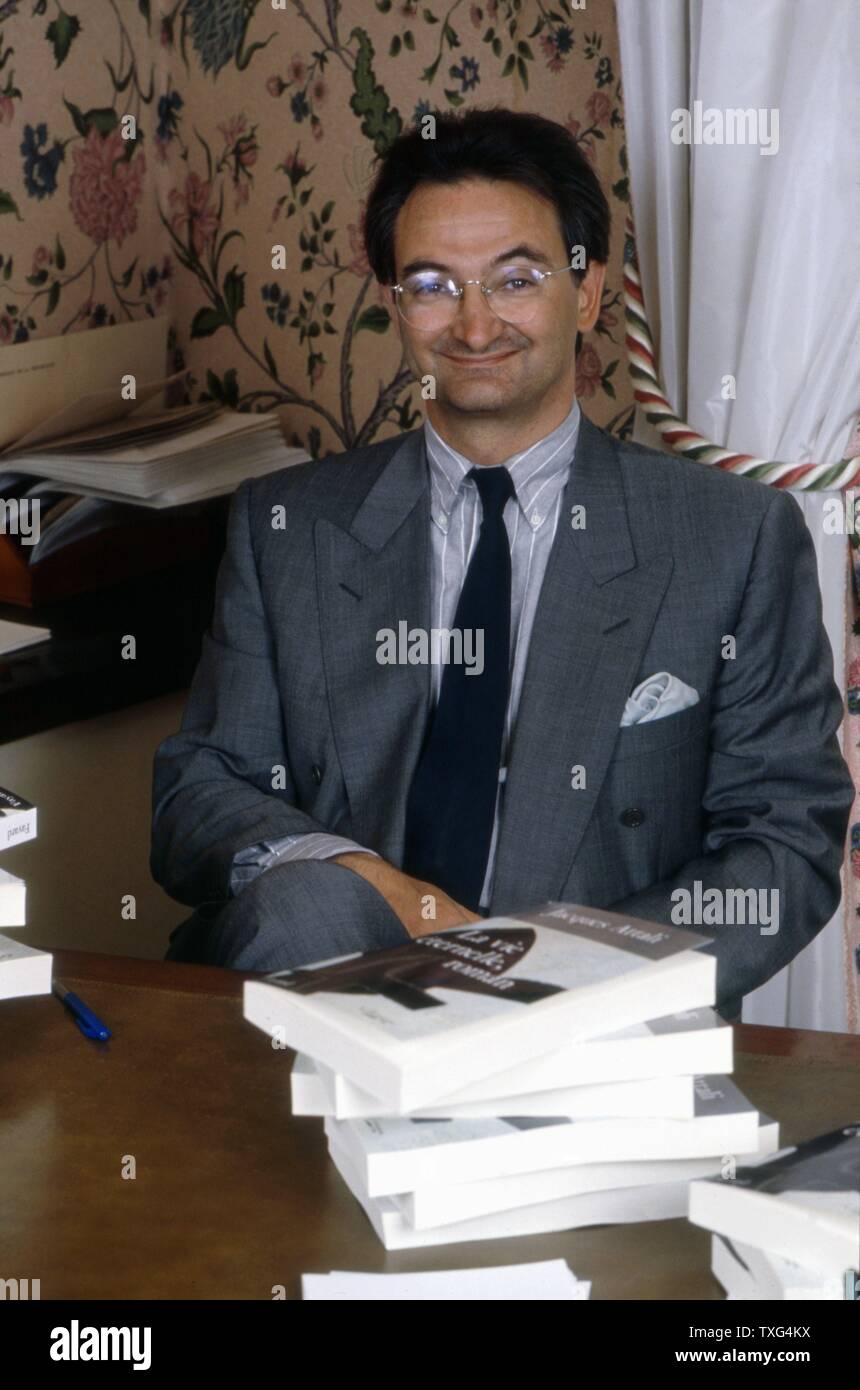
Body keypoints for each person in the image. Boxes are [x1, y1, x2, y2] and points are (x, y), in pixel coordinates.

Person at [150, 108, 853, 1019]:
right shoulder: (287, 525)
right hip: (328, 1000)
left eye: (515, 279)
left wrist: (550, 983)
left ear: (587, 289)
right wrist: (370, 884)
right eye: (433, 285)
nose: (475, 325)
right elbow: (199, 793)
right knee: (306, 909)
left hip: (595, 1027)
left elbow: (782, 845)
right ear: (394, 302)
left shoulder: (734, 536)